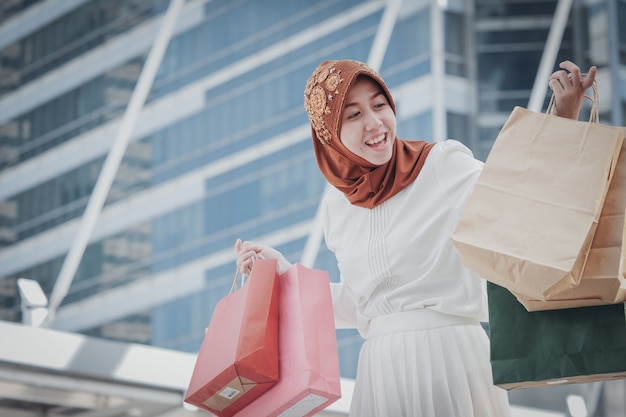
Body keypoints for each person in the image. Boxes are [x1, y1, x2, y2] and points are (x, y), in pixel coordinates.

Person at [235, 59, 596, 417]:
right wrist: (282, 273)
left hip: (450, 358)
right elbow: (359, 304)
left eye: (379, 105)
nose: (375, 123)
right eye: (354, 114)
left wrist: (563, 120)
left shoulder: (441, 164)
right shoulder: (337, 207)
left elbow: (518, 203)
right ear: (329, 133)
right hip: (381, 373)